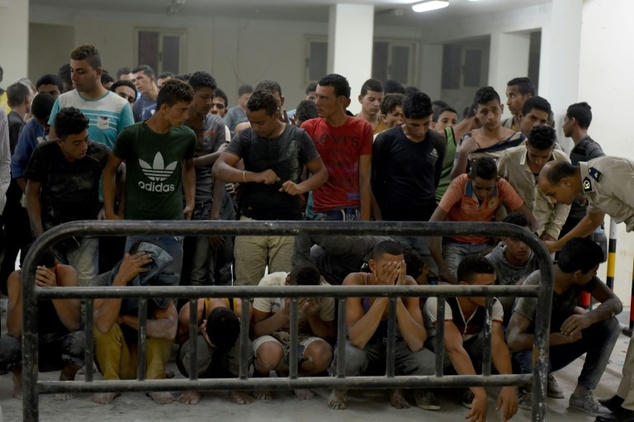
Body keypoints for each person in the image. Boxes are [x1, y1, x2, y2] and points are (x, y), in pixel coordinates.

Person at [212, 90, 328, 286]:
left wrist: (300, 187)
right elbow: (218, 168)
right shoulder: (246, 136)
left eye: (260, 122)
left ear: (275, 115)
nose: (255, 127)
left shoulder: (298, 136)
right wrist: (253, 176)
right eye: (252, 121)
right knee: (246, 289)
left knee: (284, 287)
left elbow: (321, 173)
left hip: (288, 222)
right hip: (250, 220)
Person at [506, 238, 621, 416]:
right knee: (530, 363)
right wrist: (558, 338)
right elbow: (513, 340)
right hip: (528, 353)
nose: (593, 276)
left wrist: (589, 317)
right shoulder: (539, 280)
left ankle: (581, 395)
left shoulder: (581, 278)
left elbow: (615, 303)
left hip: (556, 346)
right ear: (577, 273)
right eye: (593, 272)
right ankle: (525, 387)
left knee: (609, 324)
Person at [103, 79, 197, 288]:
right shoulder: (132, 135)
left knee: (168, 291)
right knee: (133, 289)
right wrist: (110, 212)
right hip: (138, 225)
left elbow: (188, 168)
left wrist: (190, 200)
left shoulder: (187, 136)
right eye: (182, 110)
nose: (187, 116)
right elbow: (109, 170)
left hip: (172, 226)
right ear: (164, 108)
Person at [328, 241, 437, 411]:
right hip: (363, 345)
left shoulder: (409, 283)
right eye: (388, 268)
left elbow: (416, 343)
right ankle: (340, 389)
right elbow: (357, 339)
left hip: (395, 345)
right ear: (372, 265)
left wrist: (396, 297)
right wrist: (383, 296)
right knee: (349, 356)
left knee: (429, 362)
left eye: (399, 267)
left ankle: (397, 385)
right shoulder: (355, 281)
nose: (394, 273)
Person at [423, 255, 518, 422]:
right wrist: (481, 393)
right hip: (435, 351)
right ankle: (424, 388)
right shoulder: (440, 300)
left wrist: (508, 383)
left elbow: (496, 344)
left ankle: (464, 385)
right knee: (444, 351)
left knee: (493, 345)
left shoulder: (493, 303)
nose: (492, 291)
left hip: (465, 348)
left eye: (494, 285)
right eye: (485, 287)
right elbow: (454, 348)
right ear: (463, 287)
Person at [25, 107, 110, 286]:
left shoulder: (98, 152)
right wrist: (40, 234)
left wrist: (107, 207)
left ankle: (83, 315)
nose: (84, 147)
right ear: (60, 142)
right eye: (77, 143)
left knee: (85, 283)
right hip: (51, 228)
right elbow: (31, 192)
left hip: (86, 230)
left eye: (86, 139)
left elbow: (121, 173)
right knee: (51, 283)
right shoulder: (43, 153)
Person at [91, 242, 178, 405]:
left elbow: (169, 330)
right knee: (103, 324)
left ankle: (155, 382)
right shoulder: (103, 281)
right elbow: (102, 325)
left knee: (160, 325)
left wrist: (125, 319)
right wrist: (121, 280)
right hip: (119, 362)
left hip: (145, 364)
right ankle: (110, 384)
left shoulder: (159, 281)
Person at [429, 156, 535, 283]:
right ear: (469, 177)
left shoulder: (502, 185)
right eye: (478, 188)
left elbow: (531, 221)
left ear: (496, 180)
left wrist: (500, 245)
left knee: (487, 283)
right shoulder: (459, 184)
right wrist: (442, 268)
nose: (483, 193)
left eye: (488, 189)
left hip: (485, 246)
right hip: (454, 244)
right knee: (456, 283)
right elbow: (432, 225)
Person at [0, 251, 84, 401]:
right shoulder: (16, 278)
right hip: (30, 342)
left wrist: (52, 290)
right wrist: (27, 290)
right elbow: (14, 331)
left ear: (55, 267)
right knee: (6, 345)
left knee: (82, 339)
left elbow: (74, 324)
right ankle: (20, 377)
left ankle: (67, 377)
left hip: (60, 339)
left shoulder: (65, 273)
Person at [251, 264, 335, 401]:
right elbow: (254, 331)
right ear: (287, 281)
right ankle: (262, 377)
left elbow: (329, 335)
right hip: (272, 338)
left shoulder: (325, 292)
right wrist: (283, 315)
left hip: (302, 340)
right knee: (269, 355)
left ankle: (298, 376)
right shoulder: (270, 283)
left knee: (323, 354)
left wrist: (312, 316)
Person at [302, 73, 373, 221]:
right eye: (316, 96)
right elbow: (302, 173)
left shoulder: (362, 128)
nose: (317, 102)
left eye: (324, 98)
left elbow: (364, 177)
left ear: (342, 100)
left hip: (351, 209)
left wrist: (365, 223)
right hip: (319, 210)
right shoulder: (309, 127)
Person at [537, 157, 634, 252]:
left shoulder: (604, 175)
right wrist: (555, 246)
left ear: (566, 182)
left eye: (552, 194)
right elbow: (592, 221)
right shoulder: (589, 182)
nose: (553, 201)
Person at [48, 44, 134, 149]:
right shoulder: (62, 101)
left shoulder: (120, 106)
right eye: (72, 70)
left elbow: (128, 152)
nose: (74, 77)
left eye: (81, 72)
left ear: (98, 73)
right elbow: (51, 149)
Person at [498, 125, 571, 242]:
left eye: (544, 157)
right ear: (526, 145)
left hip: (545, 234)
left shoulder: (562, 162)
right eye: (534, 155)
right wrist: (504, 226)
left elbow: (566, 200)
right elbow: (496, 191)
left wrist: (553, 231)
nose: (538, 161)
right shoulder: (509, 158)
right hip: (513, 232)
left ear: (553, 148)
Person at [176, 296, 253, 405]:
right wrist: (198, 331)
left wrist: (239, 330)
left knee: (243, 342)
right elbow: (177, 339)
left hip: (227, 363)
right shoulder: (192, 310)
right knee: (200, 343)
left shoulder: (242, 308)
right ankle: (194, 385)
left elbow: (250, 335)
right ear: (205, 323)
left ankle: (237, 386)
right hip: (198, 362)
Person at [450, 86, 526, 180]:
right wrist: (463, 153)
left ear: (501, 108)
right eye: (484, 112)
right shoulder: (467, 139)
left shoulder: (518, 140)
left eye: (494, 110)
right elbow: (455, 182)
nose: (490, 117)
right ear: (476, 113)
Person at [558, 102, 605, 241]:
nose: (562, 125)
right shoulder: (578, 148)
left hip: (581, 218)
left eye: (565, 120)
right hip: (574, 217)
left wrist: (586, 191)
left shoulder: (589, 146)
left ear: (573, 121)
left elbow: (601, 170)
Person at [485, 213, 538, 323]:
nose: (522, 245)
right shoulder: (490, 263)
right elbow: (488, 307)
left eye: (526, 239)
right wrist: (520, 287)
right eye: (515, 239)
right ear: (504, 239)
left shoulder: (540, 259)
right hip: (499, 321)